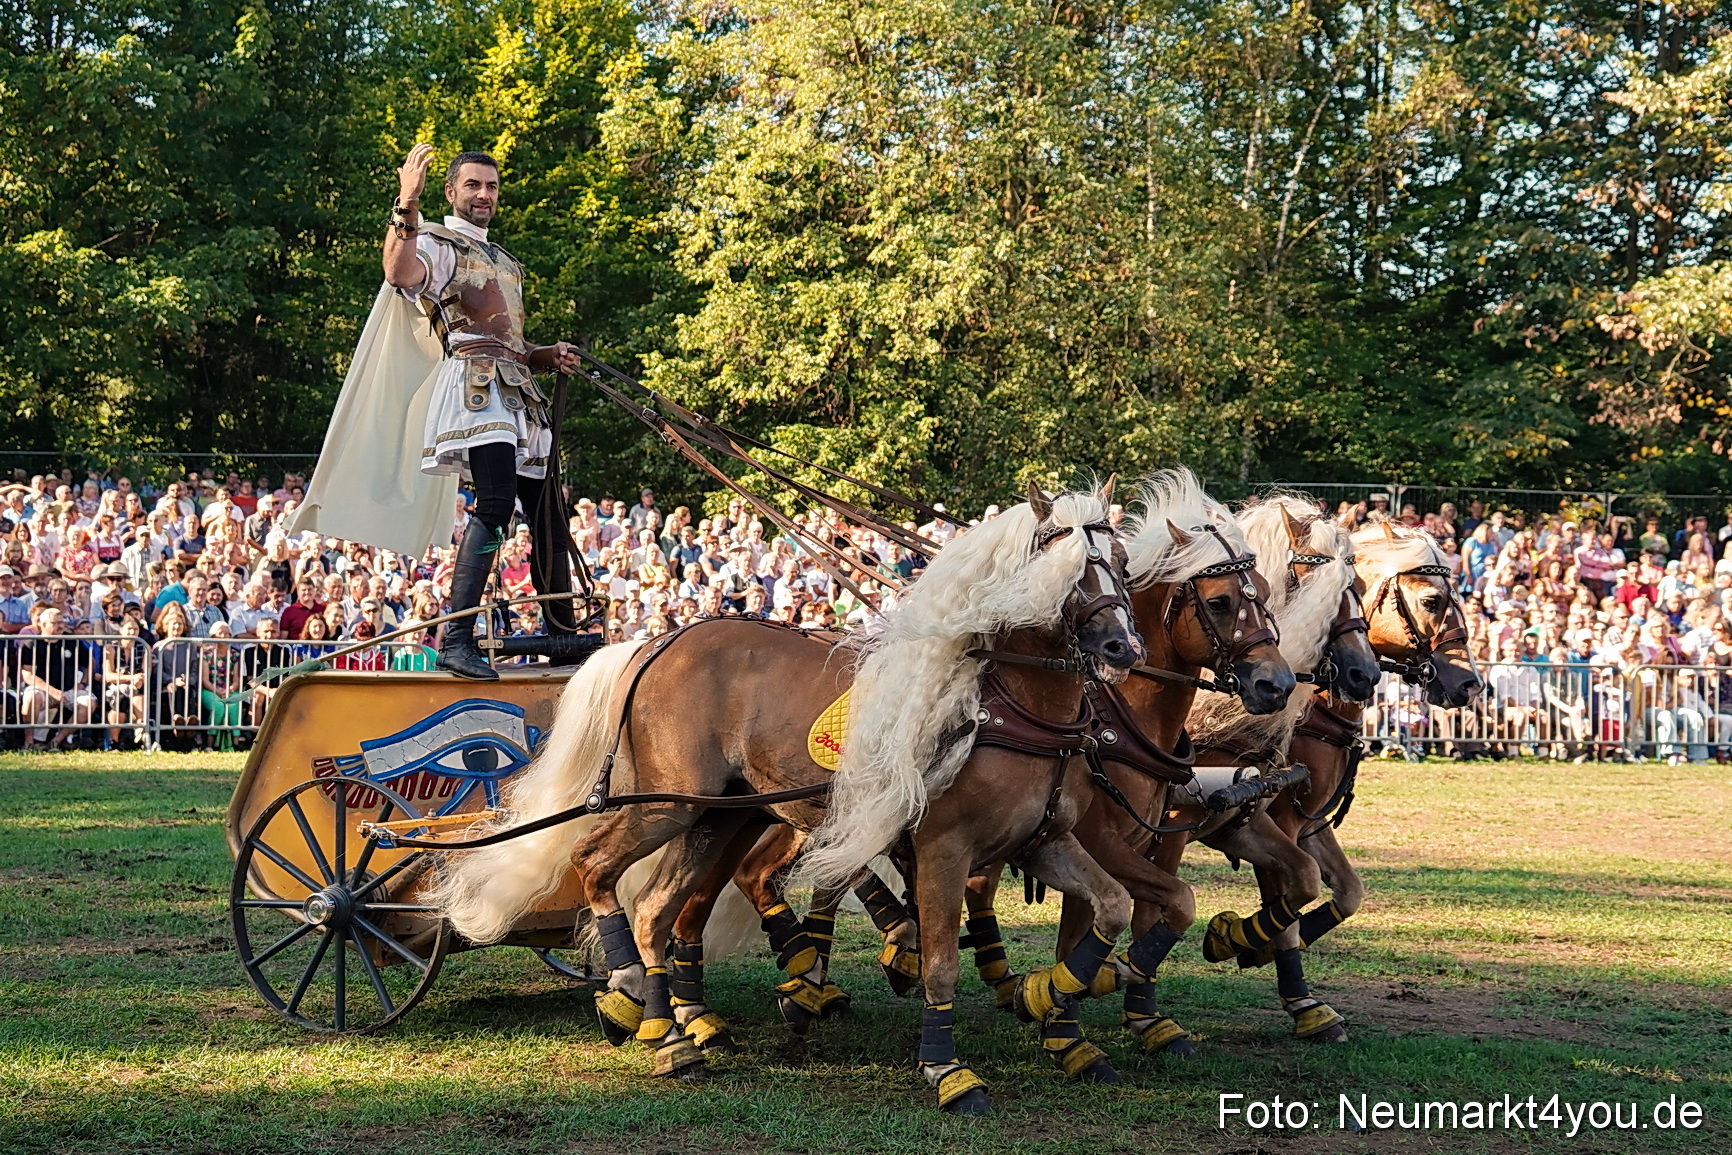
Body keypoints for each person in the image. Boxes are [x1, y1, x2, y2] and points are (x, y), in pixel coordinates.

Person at [377, 144, 582, 678]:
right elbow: (399, 273)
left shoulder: (507, 262)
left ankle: (561, 631)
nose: (484, 195)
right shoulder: (437, 242)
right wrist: (407, 203)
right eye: (473, 186)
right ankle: (457, 636)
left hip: (517, 390)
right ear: (452, 191)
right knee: (495, 503)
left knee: (548, 516)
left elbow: (512, 343)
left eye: (491, 187)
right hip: (475, 387)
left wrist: (545, 355)